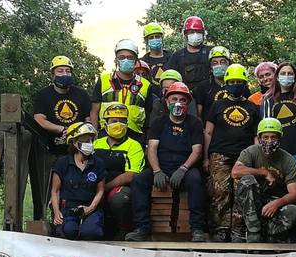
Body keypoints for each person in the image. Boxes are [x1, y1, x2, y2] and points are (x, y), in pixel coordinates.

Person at [126, 82, 206, 242]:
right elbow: (152, 149)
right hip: (161, 167)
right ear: (167, 101)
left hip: (185, 168)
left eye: (182, 100)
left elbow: (197, 150)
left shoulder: (195, 123)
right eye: (174, 98)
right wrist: (156, 171)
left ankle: (198, 229)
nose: (178, 102)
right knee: (139, 181)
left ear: (188, 103)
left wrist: (183, 169)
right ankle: (142, 228)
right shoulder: (158, 122)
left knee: (196, 180)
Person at [204, 64, 260, 242]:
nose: (235, 84)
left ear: (244, 83)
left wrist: (256, 158)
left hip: (244, 156)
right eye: (232, 81)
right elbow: (208, 132)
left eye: (239, 82)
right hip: (219, 154)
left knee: (240, 193)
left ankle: (237, 230)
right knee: (220, 192)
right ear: (226, 83)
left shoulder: (252, 107)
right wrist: (205, 157)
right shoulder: (217, 105)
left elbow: (256, 136)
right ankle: (221, 229)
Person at [31, 55, 91, 220]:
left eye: (68, 71)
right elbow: (39, 119)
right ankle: (47, 218)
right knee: (48, 187)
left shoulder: (81, 95)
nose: (64, 73)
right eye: (60, 70)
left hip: (78, 149)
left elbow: (88, 120)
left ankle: (79, 217)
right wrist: (62, 129)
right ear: (52, 74)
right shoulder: (44, 95)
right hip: (51, 149)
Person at [232, 118, 296, 243]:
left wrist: (277, 204)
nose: (269, 141)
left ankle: (268, 233)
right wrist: (264, 172)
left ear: (279, 138)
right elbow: (235, 172)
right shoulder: (251, 152)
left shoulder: (288, 159)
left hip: (273, 204)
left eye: (273, 137)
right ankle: (254, 232)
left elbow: (295, 193)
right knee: (247, 180)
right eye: (265, 137)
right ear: (259, 139)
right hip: (251, 202)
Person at [261, 62, 296, 220]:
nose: (286, 77)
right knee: (275, 188)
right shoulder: (268, 99)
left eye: (290, 73)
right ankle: (275, 225)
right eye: (283, 73)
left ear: (295, 77)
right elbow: (264, 127)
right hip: (275, 152)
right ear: (277, 77)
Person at [93, 103, 145, 240]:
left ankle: (124, 229)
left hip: (119, 188)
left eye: (122, 121)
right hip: (95, 184)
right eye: (114, 121)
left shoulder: (134, 146)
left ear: (127, 124)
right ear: (105, 125)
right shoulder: (96, 143)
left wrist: (104, 188)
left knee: (119, 199)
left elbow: (131, 174)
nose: (118, 124)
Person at [90, 39, 153, 143]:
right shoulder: (104, 80)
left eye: (130, 57)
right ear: (116, 60)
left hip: (135, 136)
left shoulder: (145, 85)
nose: (126, 60)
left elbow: (149, 115)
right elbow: (94, 111)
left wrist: (146, 141)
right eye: (122, 57)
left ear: (136, 60)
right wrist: (94, 134)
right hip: (106, 135)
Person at [51, 122, 105, 240]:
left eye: (91, 140)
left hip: (91, 207)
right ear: (74, 142)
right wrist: (56, 212)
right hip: (69, 208)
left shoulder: (98, 163)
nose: (89, 144)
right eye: (86, 141)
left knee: (91, 232)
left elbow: (100, 190)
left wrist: (91, 208)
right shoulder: (63, 163)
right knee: (69, 231)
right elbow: (55, 191)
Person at [195, 46, 249, 121]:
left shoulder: (240, 85)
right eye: (215, 63)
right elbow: (198, 114)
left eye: (223, 62)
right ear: (210, 66)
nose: (219, 65)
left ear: (229, 64)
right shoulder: (203, 87)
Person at [164, 16, 210, 95]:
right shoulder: (177, 56)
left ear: (203, 34)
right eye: (191, 32)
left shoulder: (211, 52)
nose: (195, 35)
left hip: (208, 96)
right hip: (185, 97)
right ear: (185, 34)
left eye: (198, 32)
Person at [141, 22, 172, 93]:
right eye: (151, 37)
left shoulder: (173, 58)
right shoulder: (142, 62)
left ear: (162, 38)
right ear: (146, 41)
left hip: (171, 97)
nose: (155, 39)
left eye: (157, 36)